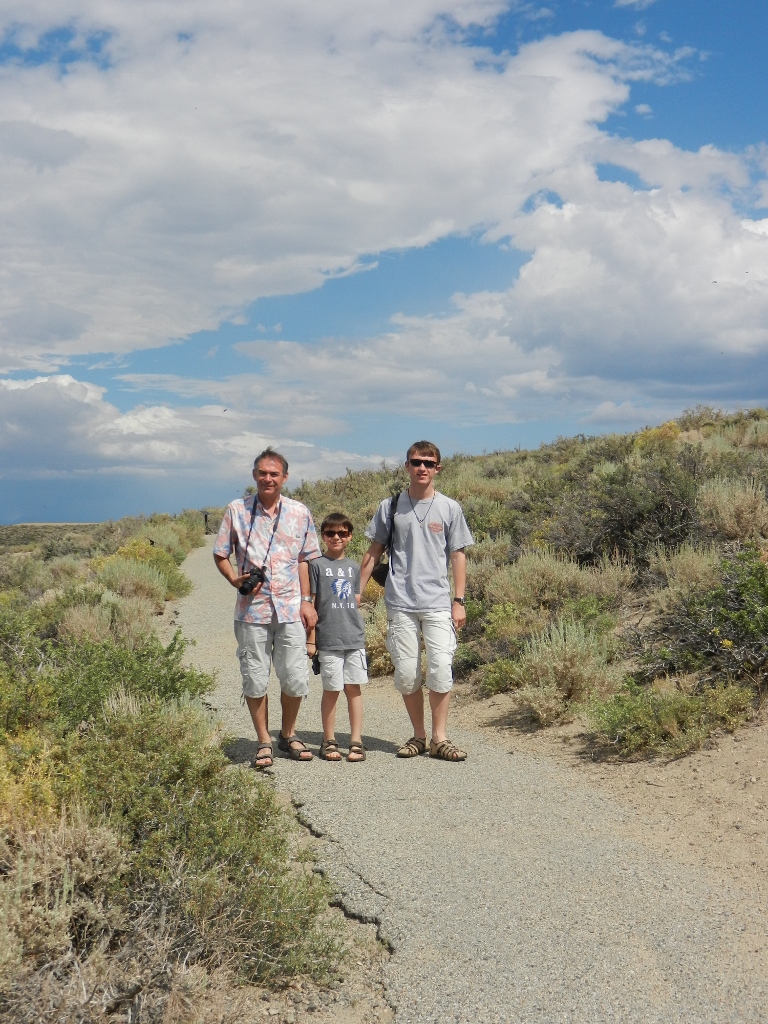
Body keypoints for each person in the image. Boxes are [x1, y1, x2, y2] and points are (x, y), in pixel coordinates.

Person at [359, 441, 473, 761]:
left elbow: (458, 555)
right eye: (416, 461)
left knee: (440, 669)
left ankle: (440, 738)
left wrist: (459, 600)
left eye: (428, 462)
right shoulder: (391, 507)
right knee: (407, 673)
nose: (422, 467)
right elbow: (373, 553)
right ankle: (419, 736)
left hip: (437, 602)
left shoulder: (449, 508)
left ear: (438, 468)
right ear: (406, 466)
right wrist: (355, 592)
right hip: (400, 602)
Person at [213, 448, 319, 769]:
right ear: (254, 475)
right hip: (252, 612)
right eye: (262, 473)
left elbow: (305, 559)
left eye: (274, 473)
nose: (268, 478)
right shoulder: (237, 510)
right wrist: (234, 579)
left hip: (289, 610)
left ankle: (287, 735)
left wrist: (307, 601)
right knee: (255, 679)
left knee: (296, 678)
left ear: (284, 477)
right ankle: (263, 741)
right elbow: (220, 553)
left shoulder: (300, 512)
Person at [307, 512, 368, 763]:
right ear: (323, 536)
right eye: (330, 533)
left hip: (353, 637)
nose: (336, 537)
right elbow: (311, 604)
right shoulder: (316, 565)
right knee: (331, 689)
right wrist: (311, 639)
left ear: (350, 537)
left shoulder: (353, 567)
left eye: (342, 533)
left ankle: (356, 740)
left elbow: (354, 601)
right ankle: (329, 739)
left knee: (353, 689)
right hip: (328, 637)